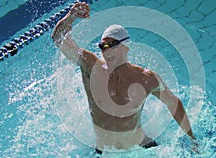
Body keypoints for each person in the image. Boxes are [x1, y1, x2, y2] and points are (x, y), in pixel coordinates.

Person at [52, 2, 197, 155]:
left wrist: (192, 139)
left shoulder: (146, 78)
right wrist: (71, 16)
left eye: (111, 45)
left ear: (125, 47)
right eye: (103, 46)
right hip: (104, 152)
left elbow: (173, 103)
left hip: (142, 149)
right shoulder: (90, 67)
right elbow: (58, 38)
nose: (106, 51)